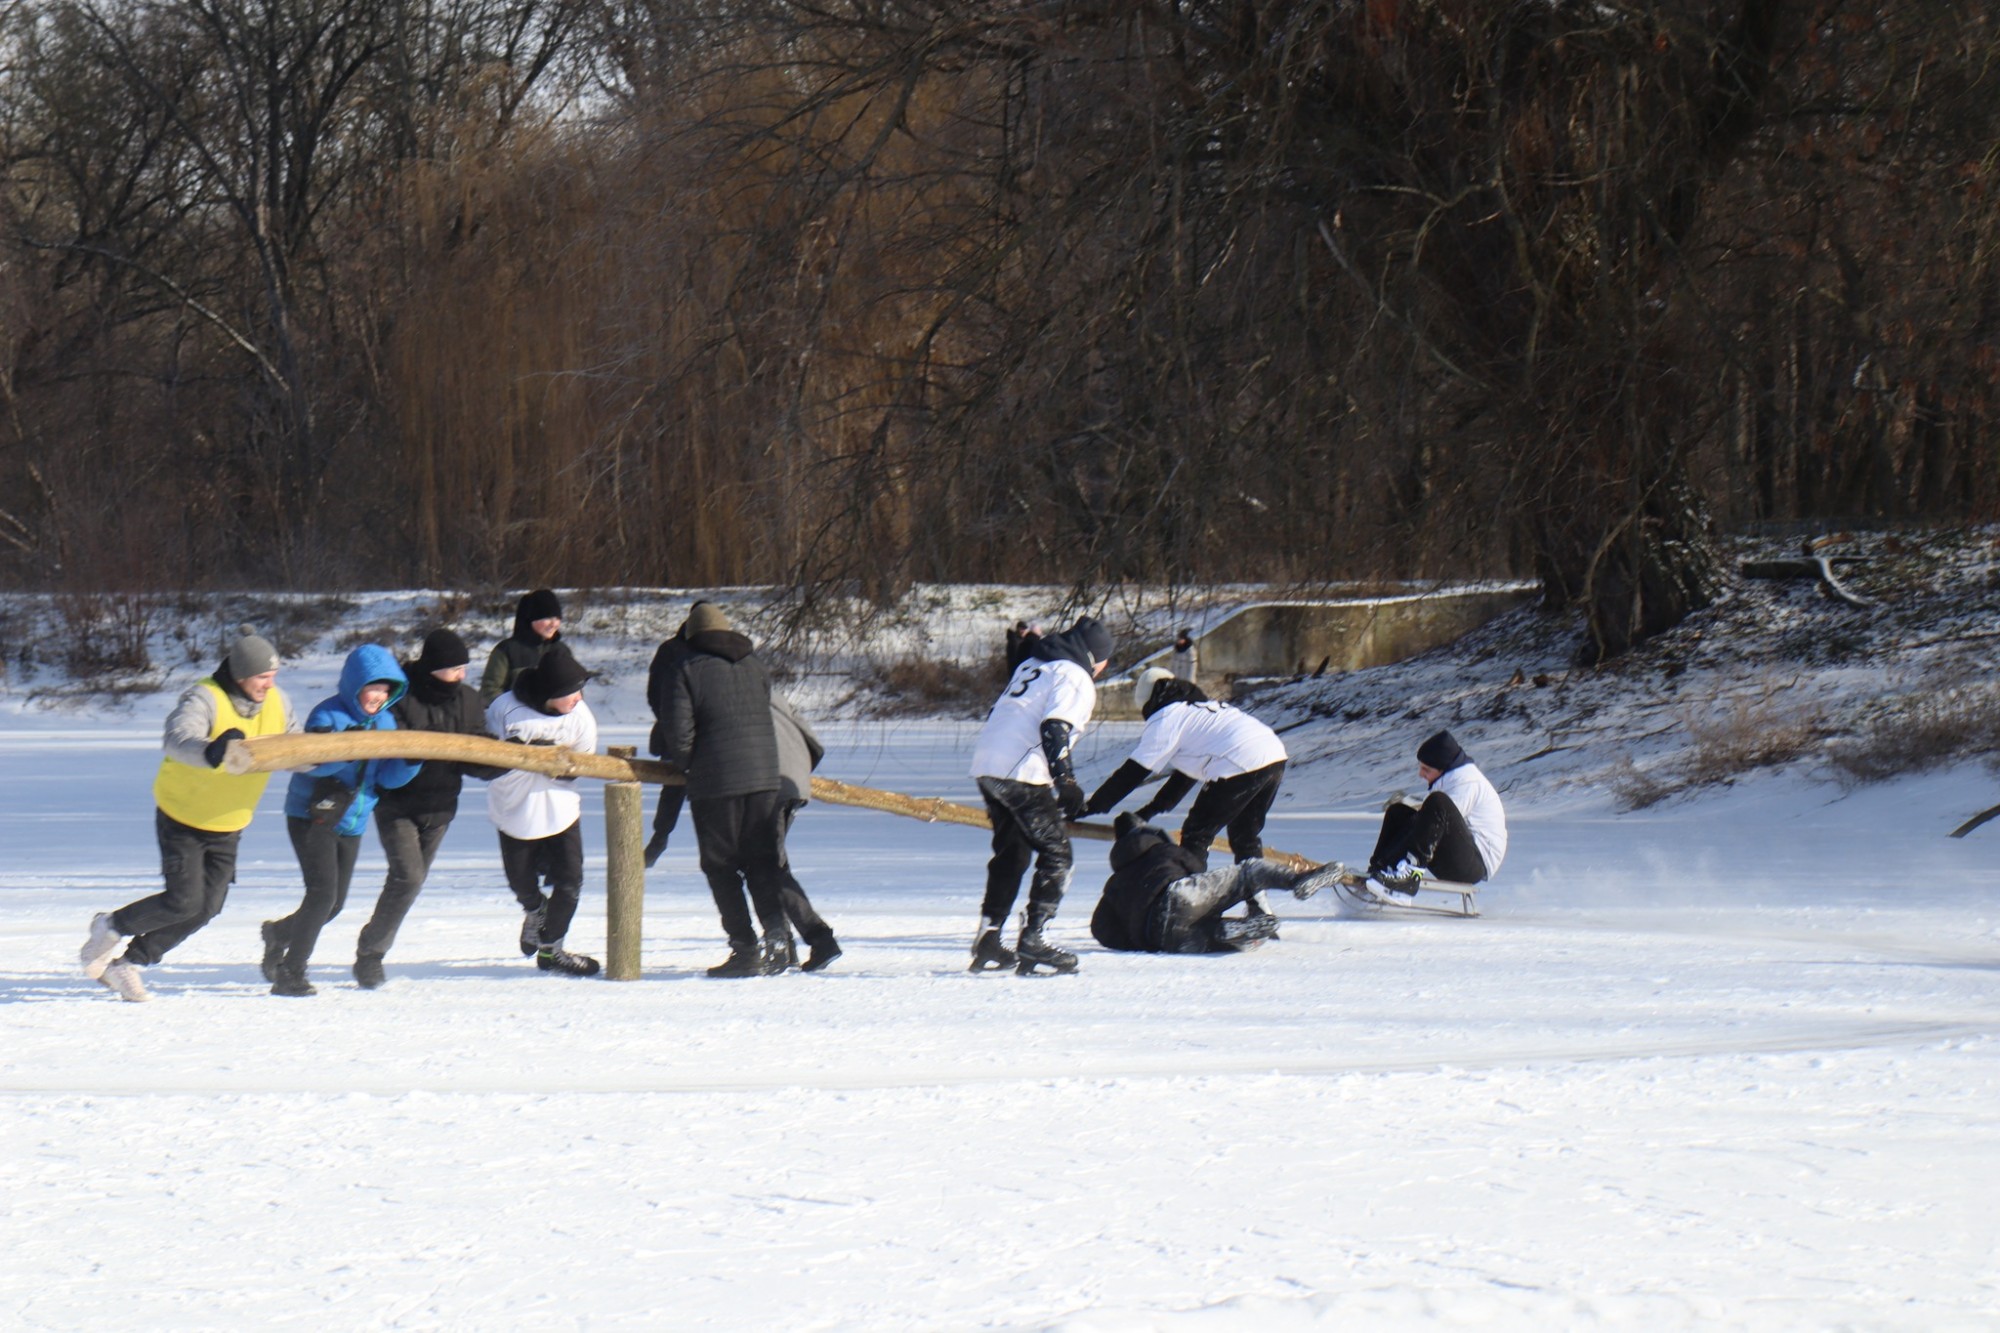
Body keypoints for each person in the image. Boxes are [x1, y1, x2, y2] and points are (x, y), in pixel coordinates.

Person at [80, 628, 301, 1002]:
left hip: (230, 821)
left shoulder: (278, 703)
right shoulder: (206, 697)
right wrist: (210, 750)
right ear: (242, 674)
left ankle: (127, 964)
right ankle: (111, 925)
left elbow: (294, 746)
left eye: (273, 676)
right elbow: (177, 737)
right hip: (182, 817)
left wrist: (323, 750)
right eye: (263, 677)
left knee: (206, 909)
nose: (270, 684)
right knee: (183, 901)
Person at [261, 645, 423, 996]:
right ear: (355, 686)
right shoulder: (327, 715)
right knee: (321, 896)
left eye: (385, 690)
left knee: (333, 904)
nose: (378, 696)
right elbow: (317, 766)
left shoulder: (386, 722)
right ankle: (291, 972)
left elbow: (388, 778)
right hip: (312, 815)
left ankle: (278, 934)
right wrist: (348, 746)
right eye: (372, 688)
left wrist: (410, 761)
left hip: (353, 820)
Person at [967, 615, 1113, 975]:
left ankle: (989, 936)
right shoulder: (1075, 676)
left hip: (988, 764)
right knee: (1057, 854)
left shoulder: (1035, 664)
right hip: (1021, 772)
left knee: (1012, 852)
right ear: (1096, 658)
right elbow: (1055, 726)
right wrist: (1066, 781)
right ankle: (1035, 938)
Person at [352, 629, 498, 989]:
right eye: (453, 669)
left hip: (441, 806)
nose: (461, 675)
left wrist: (502, 759)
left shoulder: (469, 700)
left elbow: (476, 755)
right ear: (433, 668)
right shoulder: (402, 695)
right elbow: (388, 744)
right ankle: (370, 955)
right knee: (408, 877)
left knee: (409, 883)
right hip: (397, 803)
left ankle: (367, 947)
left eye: (464, 667)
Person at [662, 603, 795, 977]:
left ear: (691, 635)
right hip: (766, 775)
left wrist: (692, 764)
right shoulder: (755, 665)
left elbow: (679, 731)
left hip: (716, 781)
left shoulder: (685, 668)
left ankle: (744, 949)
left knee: (720, 865)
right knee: (762, 861)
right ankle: (778, 937)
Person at [1083, 667, 1289, 876]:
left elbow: (1134, 771)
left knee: (1196, 833)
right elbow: (1185, 777)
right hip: (1273, 755)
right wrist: (1150, 810)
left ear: (1147, 700)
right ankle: (1257, 903)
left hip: (1238, 761)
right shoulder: (1198, 711)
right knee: (1245, 836)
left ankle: (1191, 899)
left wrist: (1093, 805)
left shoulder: (1167, 717)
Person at [485, 642, 602, 976]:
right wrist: (522, 755)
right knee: (521, 882)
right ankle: (536, 910)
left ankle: (552, 948)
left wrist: (560, 764)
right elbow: (486, 753)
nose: (579, 699)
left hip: (561, 807)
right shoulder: (505, 708)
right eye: (572, 693)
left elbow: (586, 759)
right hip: (514, 807)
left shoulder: (581, 716)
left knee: (570, 881)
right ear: (551, 692)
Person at [1090, 813, 1346, 954]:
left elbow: (1101, 930)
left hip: (1158, 936)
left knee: (1207, 936)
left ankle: (1222, 932)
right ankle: (1297, 880)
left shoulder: (1115, 883)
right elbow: (1198, 868)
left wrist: (1138, 939)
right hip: (1176, 897)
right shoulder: (1163, 851)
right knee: (1249, 872)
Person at [1366, 729, 1507, 892]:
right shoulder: (1449, 779)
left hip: (1474, 865)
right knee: (1398, 812)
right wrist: (1386, 859)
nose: (1421, 774)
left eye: (1426, 770)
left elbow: (1437, 822)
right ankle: (1380, 869)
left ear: (1443, 768)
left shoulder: (1467, 783)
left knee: (1437, 803)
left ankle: (1410, 877)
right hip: (1460, 854)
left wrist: (1400, 848)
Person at [770, 692, 840, 971]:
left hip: (764, 781)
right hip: (792, 781)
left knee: (768, 867)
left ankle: (818, 938)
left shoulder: (730, 690)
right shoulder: (772, 692)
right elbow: (814, 741)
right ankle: (785, 944)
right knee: (771, 864)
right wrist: (797, 773)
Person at [641, 603, 713, 868]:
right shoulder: (670, 650)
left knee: (707, 793)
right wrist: (674, 720)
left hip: (710, 733)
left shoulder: (716, 648)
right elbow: (655, 693)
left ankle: (712, 847)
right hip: (675, 731)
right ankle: (660, 837)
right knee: (673, 786)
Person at [480, 588, 564, 704]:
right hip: (516, 720)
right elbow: (489, 691)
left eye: (557, 618)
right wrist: (515, 711)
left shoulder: (561, 650)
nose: (554, 623)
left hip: (556, 720)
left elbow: (574, 689)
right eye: (547, 618)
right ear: (530, 619)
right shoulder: (507, 650)